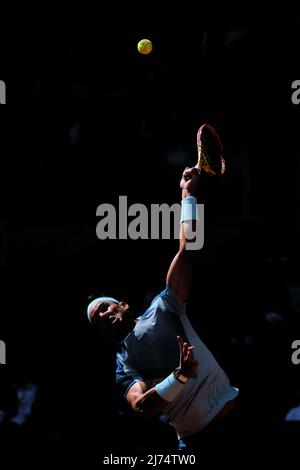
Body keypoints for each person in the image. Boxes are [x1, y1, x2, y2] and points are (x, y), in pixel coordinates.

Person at [87, 167, 239, 450]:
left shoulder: (164, 305)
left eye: (105, 308)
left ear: (123, 305)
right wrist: (179, 376)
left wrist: (188, 194)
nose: (104, 316)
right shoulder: (124, 362)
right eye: (98, 320)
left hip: (235, 419)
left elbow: (188, 247)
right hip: (195, 443)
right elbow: (141, 408)